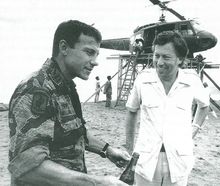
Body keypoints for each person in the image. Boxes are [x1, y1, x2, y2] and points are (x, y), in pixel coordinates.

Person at [8, 20, 130, 186]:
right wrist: (98, 182)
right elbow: (28, 167)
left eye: (96, 55)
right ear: (64, 48)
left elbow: (76, 133)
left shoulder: (65, 87)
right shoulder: (36, 89)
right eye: (89, 52)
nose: (95, 61)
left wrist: (108, 150)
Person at [125, 31, 209, 186]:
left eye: (166, 57)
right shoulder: (143, 80)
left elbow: (204, 106)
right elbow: (131, 111)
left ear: (181, 59)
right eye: (157, 55)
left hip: (179, 160)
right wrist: (129, 149)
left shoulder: (192, 81)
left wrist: (194, 128)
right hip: (146, 159)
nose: (159, 62)